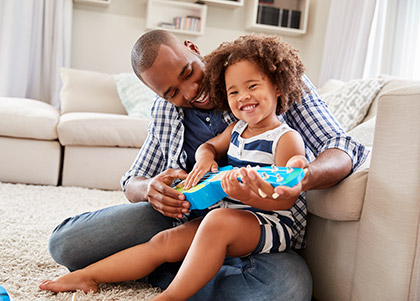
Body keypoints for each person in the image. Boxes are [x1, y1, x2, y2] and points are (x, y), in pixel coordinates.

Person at [46, 30, 369, 300]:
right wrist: (150, 190)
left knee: (285, 290)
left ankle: (172, 274)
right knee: (67, 246)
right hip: (184, 218)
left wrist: (304, 176)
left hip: (255, 223)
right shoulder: (167, 112)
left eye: (189, 73)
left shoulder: (259, 79)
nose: (190, 92)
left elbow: (340, 146)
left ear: (193, 48)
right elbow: (134, 178)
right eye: (172, 92)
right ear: (156, 94)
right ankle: (176, 264)